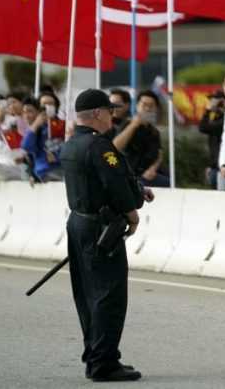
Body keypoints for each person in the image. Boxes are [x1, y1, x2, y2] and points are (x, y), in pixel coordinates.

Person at [61, 89, 153, 382]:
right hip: (100, 228)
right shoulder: (100, 146)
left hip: (79, 223)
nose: (113, 117)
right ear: (98, 114)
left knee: (87, 295)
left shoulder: (72, 144)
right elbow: (114, 183)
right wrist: (133, 214)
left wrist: (137, 189)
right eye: (109, 111)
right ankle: (103, 363)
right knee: (108, 295)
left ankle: (96, 354)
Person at [113, 90, 169, 188]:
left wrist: (152, 169)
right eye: (144, 105)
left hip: (150, 174)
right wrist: (134, 125)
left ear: (156, 109)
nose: (147, 108)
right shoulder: (127, 124)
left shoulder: (154, 131)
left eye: (151, 106)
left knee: (170, 182)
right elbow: (115, 146)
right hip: (131, 175)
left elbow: (159, 154)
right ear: (137, 106)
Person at [21, 97, 64, 182]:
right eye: (43, 104)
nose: (46, 107)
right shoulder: (34, 130)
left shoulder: (62, 125)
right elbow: (26, 146)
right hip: (43, 171)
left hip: (59, 170)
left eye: (50, 104)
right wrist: (36, 124)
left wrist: (57, 157)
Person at [198, 90, 225, 188]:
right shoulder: (216, 118)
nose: (211, 103)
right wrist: (211, 165)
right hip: (214, 167)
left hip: (223, 168)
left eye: (214, 101)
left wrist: (208, 110)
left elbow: (203, 127)